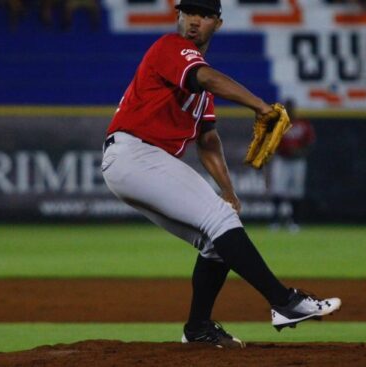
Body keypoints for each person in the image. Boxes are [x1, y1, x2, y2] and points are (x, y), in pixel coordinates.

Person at [100, 0, 341, 349]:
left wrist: (228, 190)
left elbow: (208, 141)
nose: (194, 21)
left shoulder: (202, 88)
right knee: (219, 221)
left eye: (204, 15)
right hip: (135, 152)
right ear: (178, 17)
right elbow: (205, 77)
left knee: (215, 242)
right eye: (188, 13)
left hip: (136, 161)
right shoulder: (171, 48)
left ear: (218, 23)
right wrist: (259, 104)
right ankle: (284, 301)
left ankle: (197, 328)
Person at [265, 99, 315, 233]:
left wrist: (299, 152)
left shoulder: (303, 123)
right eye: (286, 108)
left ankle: (295, 221)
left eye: (290, 108)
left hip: (298, 161)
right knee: (278, 190)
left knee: (296, 192)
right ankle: (275, 221)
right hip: (282, 160)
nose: (289, 110)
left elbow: (310, 143)